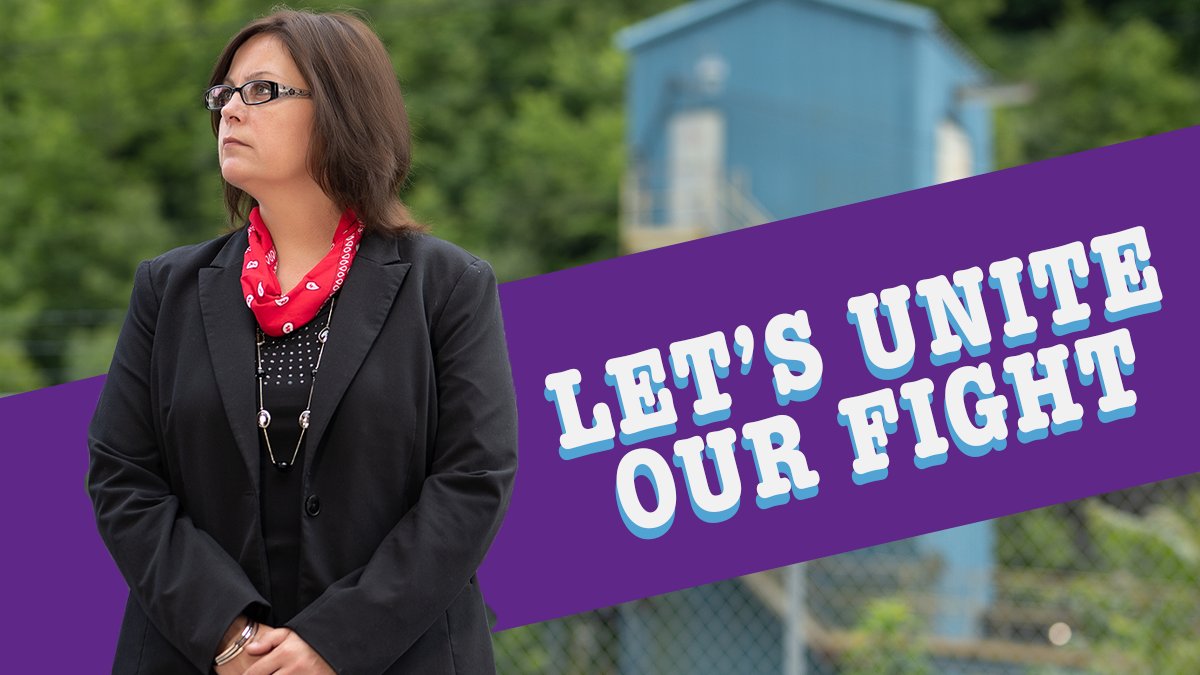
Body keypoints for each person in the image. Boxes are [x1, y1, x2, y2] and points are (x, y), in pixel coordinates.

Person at [87, 9, 518, 674]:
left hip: (401, 656)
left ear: (342, 111)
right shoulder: (166, 288)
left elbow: (472, 481)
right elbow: (123, 478)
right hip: (197, 656)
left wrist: (334, 642)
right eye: (224, 93)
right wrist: (228, 634)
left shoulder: (448, 287)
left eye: (260, 91)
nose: (230, 111)